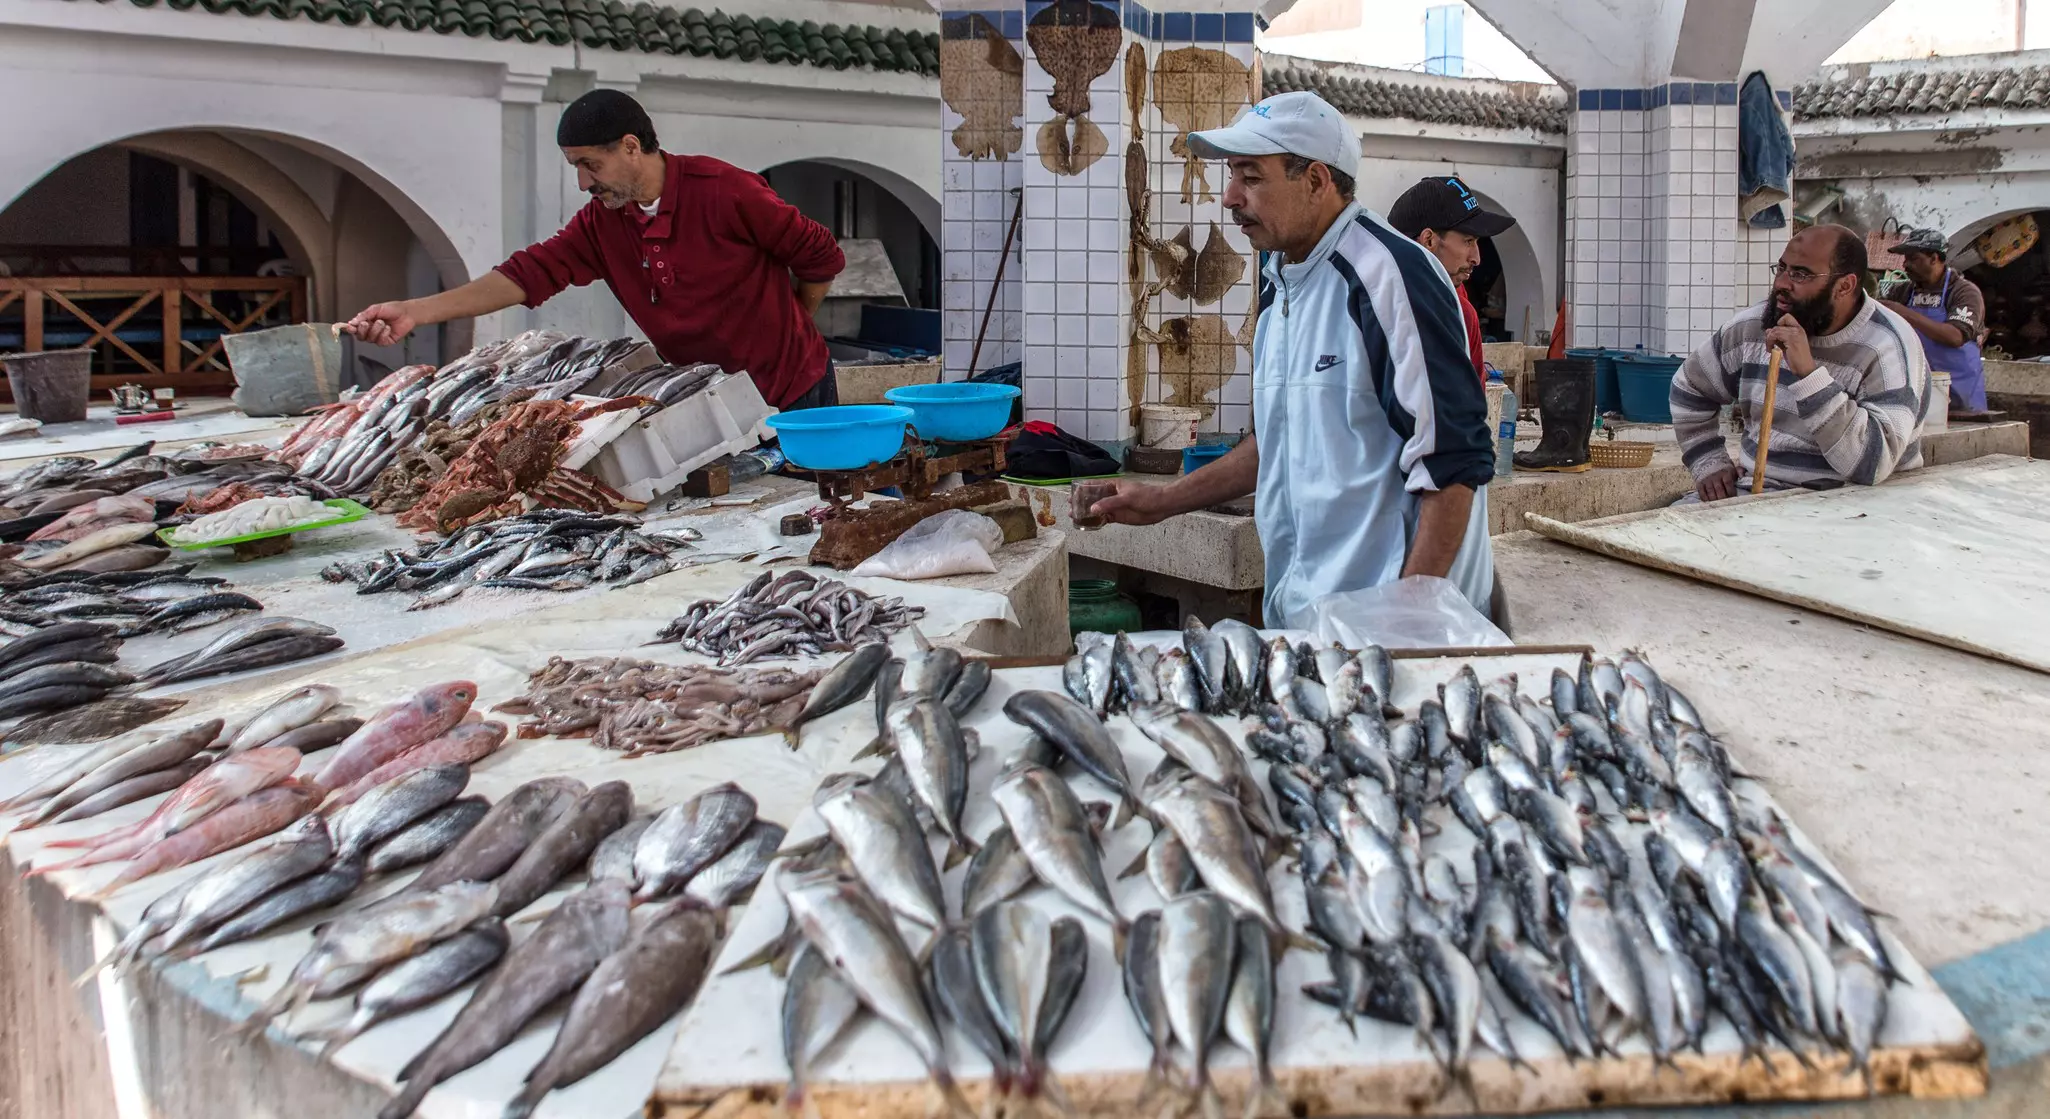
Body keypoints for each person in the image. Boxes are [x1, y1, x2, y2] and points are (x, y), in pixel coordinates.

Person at [1088, 91, 1495, 626]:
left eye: (1251, 177)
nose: (1230, 197)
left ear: (1316, 181)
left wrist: (1408, 624)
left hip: (1389, 625)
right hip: (1311, 619)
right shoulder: (1281, 285)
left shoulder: (1389, 275)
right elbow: (1277, 442)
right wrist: (1160, 502)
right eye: (1233, 175)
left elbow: (1454, 464)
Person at [341, 90, 846, 410]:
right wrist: (414, 311)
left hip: (792, 388)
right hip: (705, 396)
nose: (583, 182)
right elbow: (527, 274)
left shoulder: (725, 189)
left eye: (590, 165)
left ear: (630, 146)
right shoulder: (602, 223)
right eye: (574, 168)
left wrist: (796, 320)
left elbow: (821, 255)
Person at [1670, 224, 1932, 502]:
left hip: (1857, 506)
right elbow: (1689, 388)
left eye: (1801, 274)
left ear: (1845, 286)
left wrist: (1809, 376)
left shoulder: (1887, 345)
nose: (1782, 283)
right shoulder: (1753, 326)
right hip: (1755, 494)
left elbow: (1872, 466)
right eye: (1781, 268)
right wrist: (1707, 461)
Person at [1386, 175, 1517, 381]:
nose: (1476, 258)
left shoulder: (1462, 315)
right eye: (1468, 241)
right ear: (1429, 240)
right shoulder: (1367, 304)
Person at [1878, 227, 1987, 412]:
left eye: (1913, 258)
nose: (1905, 265)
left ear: (1934, 258)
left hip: (1961, 396)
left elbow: (1956, 337)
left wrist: (1905, 313)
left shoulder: (1963, 291)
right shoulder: (1903, 291)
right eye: (1905, 259)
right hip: (1919, 392)